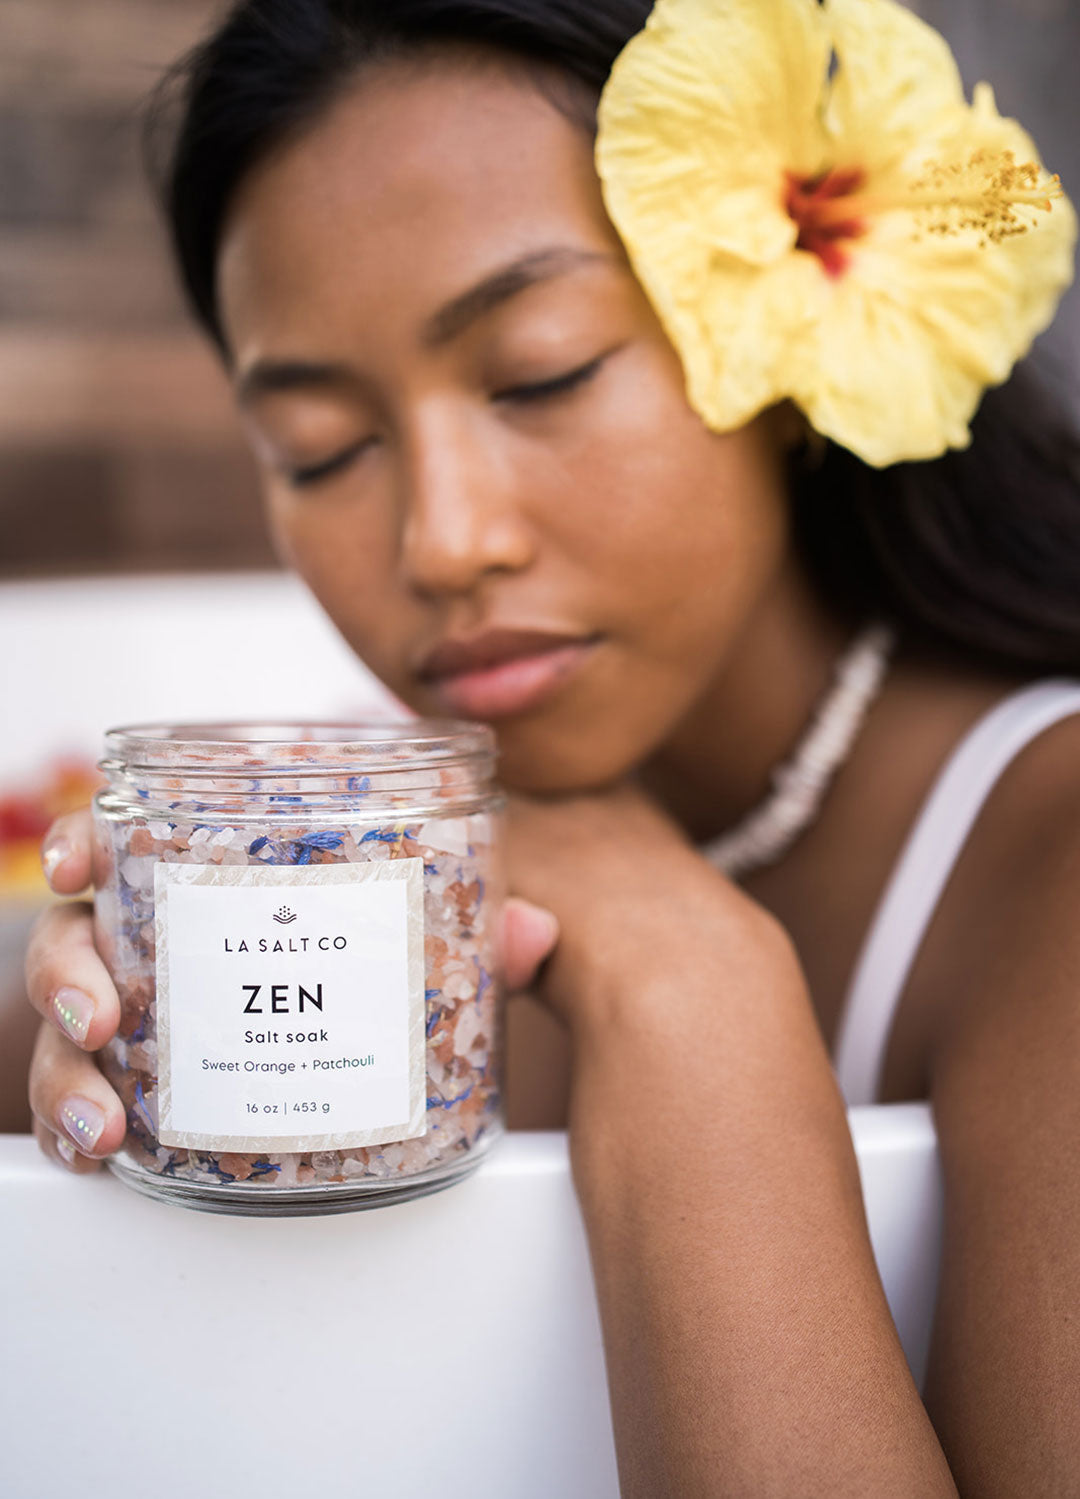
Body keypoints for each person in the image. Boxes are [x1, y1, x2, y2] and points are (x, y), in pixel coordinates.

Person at [21, 0, 1080, 1490]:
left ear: (799, 329)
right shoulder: (380, 863)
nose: (442, 541)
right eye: (320, 450)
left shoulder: (1050, 862)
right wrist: (98, 1021)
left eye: (540, 372)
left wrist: (688, 990)